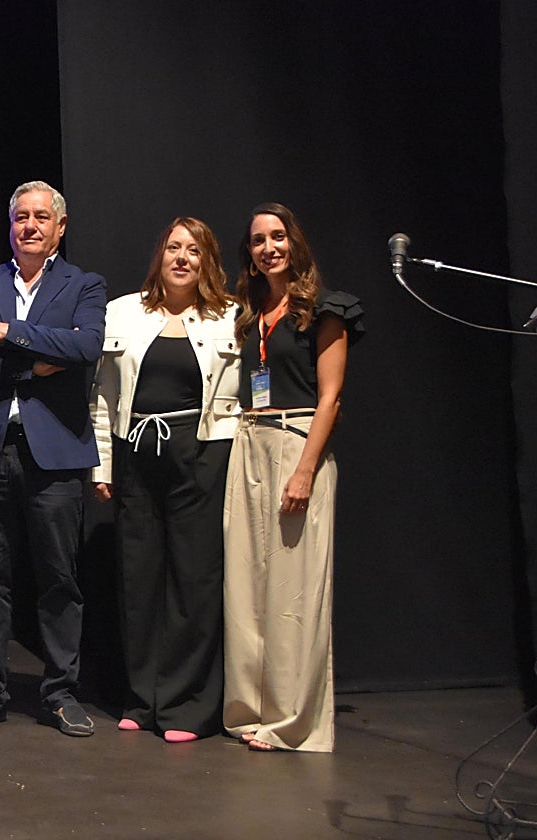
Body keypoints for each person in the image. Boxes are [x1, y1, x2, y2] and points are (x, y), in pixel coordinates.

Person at [0, 181, 106, 737]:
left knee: (58, 577)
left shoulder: (84, 284)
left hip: (58, 452)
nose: (29, 226)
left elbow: (84, 348)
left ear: (60, 227)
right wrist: (42, 355)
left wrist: (11, 335)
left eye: (41, 217)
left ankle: (61, 692)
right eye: (20, 216)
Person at [90, 218, 240, 742]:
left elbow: (242, 400)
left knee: (194, 581)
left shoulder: (230, 316)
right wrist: (103, 464)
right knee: (139, 579)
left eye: (193, 250)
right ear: (160, 255)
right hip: (137, 453)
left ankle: (186, 705)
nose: (182, 257)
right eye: (174, 247)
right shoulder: (124, 312)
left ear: (207, 260)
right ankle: (142, 698)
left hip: (201, 453)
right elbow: (104, 398)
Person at [223, 202, 364, 752]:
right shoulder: (248, 312)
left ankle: (293, 723)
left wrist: (305, 469)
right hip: (248, 442)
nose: (268, 248)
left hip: (295, 444)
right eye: (258, 240)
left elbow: (330, 397)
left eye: (278, 237)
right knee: (247, 586)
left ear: (294, 242)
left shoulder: (325, 308)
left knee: (293, 589)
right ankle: (250, 710)